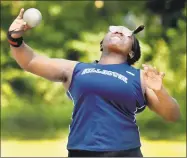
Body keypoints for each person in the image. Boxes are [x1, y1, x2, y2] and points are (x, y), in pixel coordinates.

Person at [8, 8, 180, 157]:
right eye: (113, 30)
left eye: (127, 34)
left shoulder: (140, 77)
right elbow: (31, 61)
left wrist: (159, 90)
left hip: (124, 152)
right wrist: (15, 39)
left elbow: (172, 115)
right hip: (81, 151)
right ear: (102, 43)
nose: (119, 32)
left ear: (131, 52)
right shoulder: (76, 69)